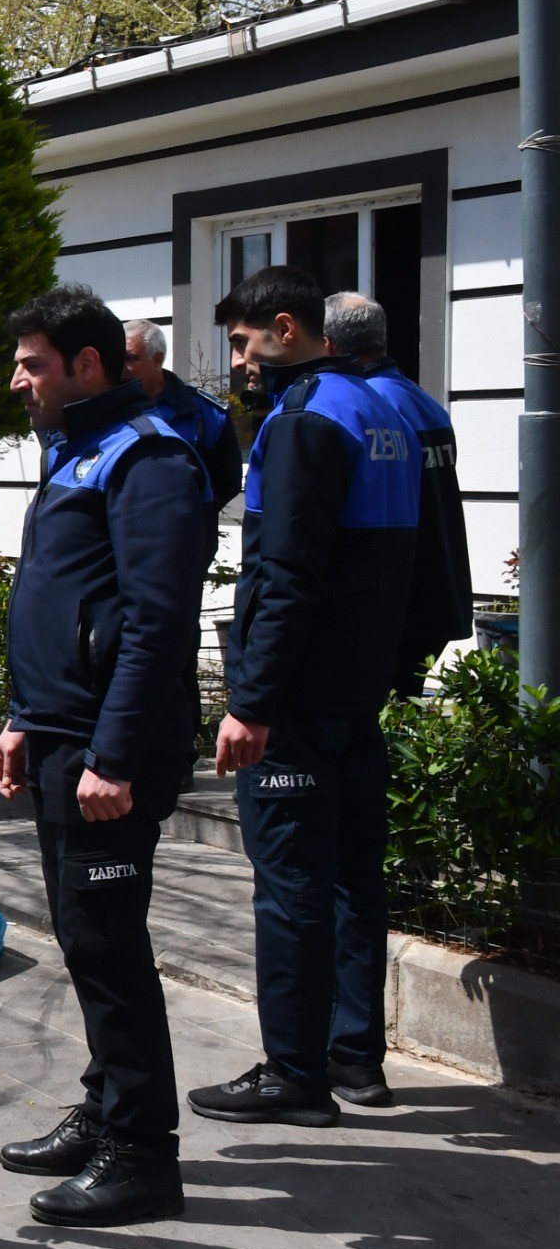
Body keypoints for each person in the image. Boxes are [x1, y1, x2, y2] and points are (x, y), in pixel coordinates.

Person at [0, 288, 216, 1226]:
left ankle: (142, 1153)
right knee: (83, 939)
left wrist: (115, 758)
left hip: (108, 754)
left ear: (89, 364)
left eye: (34, 363)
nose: (18, 380)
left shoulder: (150, 460)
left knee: (108, 942)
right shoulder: (75, 452)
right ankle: (104, 1107)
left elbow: (158, 625)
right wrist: (21, 715)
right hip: (62, 736)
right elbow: (57, 601)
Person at [192, 267, 417, 1125]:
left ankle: (294, 1070)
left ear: (286, 328)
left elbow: (285, 575)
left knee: (289, 885)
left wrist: (251, 700)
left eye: (245, 345)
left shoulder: (301, 421)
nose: (241, 364)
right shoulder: (386, 407)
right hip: (357, 696)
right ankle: (355, 1058)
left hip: (298, 704)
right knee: (356, 879)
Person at [326, 292, 471, 698]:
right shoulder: (419, 398)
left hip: (400, 600)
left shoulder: (371, 406)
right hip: (435, 592)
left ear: (328, 344)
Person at [124, 318, 244, 511]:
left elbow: (227, 482)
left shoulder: (205, 413)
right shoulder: (108, 408)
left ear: (157, 360)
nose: (121, 368)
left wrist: (190, 518)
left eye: (129, 358)